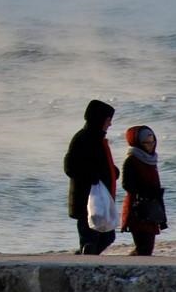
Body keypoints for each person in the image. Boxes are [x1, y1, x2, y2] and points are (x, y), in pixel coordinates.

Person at [64, 99, 118, 254]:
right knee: (90, 239)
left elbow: (101, 165)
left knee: (107, 236)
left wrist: (113, 172)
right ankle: (84, 260)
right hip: (86, 200)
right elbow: (69, 166)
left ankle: (83, 257)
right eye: (108, 120)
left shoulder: (97, 138)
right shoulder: (82, 138)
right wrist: (91, 177)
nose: (110, 124)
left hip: (101, 200)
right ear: (100, 119)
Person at [120, 125, 166, 256]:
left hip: (152, 208)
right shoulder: (132, 160)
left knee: (147, 247)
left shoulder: (151, 160)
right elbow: (127, 185)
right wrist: (147, 191)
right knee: (143, 247)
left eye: (152, 142)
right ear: (138, 143)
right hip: (138, 209)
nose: (150, 145)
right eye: (146, 143)